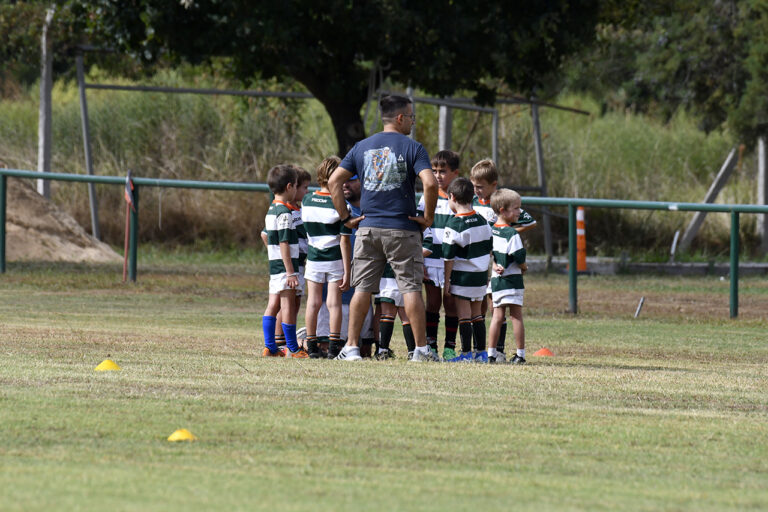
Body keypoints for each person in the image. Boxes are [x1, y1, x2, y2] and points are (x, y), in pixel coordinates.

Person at [327, 94, 438, 362]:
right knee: (410, 287)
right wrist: (428, 218)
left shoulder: (361, 146)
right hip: (403, 228)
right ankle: (421, 350)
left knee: (363, 288)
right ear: (400, 118)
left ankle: (351, 347)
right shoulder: (414, 148)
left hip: (367, 227)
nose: (412, 122)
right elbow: (431, 184)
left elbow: (333, 181)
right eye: (411, 117)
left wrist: (346, 218)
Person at [469, 158, 536, 361]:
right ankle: (481, 348)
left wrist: (508, 233)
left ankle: (498, 350)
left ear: (493, 185)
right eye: (474, 186)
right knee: (480, 303)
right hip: (481, 260)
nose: (477, 190)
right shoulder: (472, 203)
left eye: (480, 187)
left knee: (495, 307)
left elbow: (531, 222)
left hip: (499, 263)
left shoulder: (502, 203)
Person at [302, 157, 352, 358]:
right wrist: (348, 271)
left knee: (312, 303)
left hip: (313, 258)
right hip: (334, 259)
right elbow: (344, 241)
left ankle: (312, 347)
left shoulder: (307, 200)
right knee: (334, 303)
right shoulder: (340, 204)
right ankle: (333, 347)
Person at [442, 178, 493, 363]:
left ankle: (465, 354)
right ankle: (481, 353)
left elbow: (448, 257)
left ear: (452, 197)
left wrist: (446, 281)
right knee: (477, 314)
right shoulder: (483, 220)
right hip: (480, 277)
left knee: (463, 316)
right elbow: (489, 247)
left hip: (463, 277)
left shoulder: (454, 224)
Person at [262, 164, 309, 358]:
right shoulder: (284, 213)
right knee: (288, 306)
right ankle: (293, 347)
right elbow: (284, 242)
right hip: (285, 268)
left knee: (273, 304)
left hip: (275, 267)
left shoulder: (272, 209)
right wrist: (291, 272)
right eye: (298, 185)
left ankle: (270, 347)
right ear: (290, 187)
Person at [418, 150, 460, 361]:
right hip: (431, 258)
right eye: (434, 171)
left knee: (451, 301)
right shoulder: (427, 196)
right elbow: (420, 226)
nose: (437, 175)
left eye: (443, 171)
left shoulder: (460, 199)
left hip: (451, 261)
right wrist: (421, 258)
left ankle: (450, 347)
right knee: (433, 302)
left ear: (455, 173)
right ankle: (431, 345)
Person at [487, 188, 528, 364]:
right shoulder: (512, 234)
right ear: (503, 210)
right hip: (512, 280)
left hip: (496, 281)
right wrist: (525, 267)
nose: (520, 212)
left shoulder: (490, 231)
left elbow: (489, 253)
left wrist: (495, 265)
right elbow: (519, 258)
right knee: (516, 316)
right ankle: (520, 354)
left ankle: (491, 353)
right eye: (516, 208)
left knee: (497, 316)